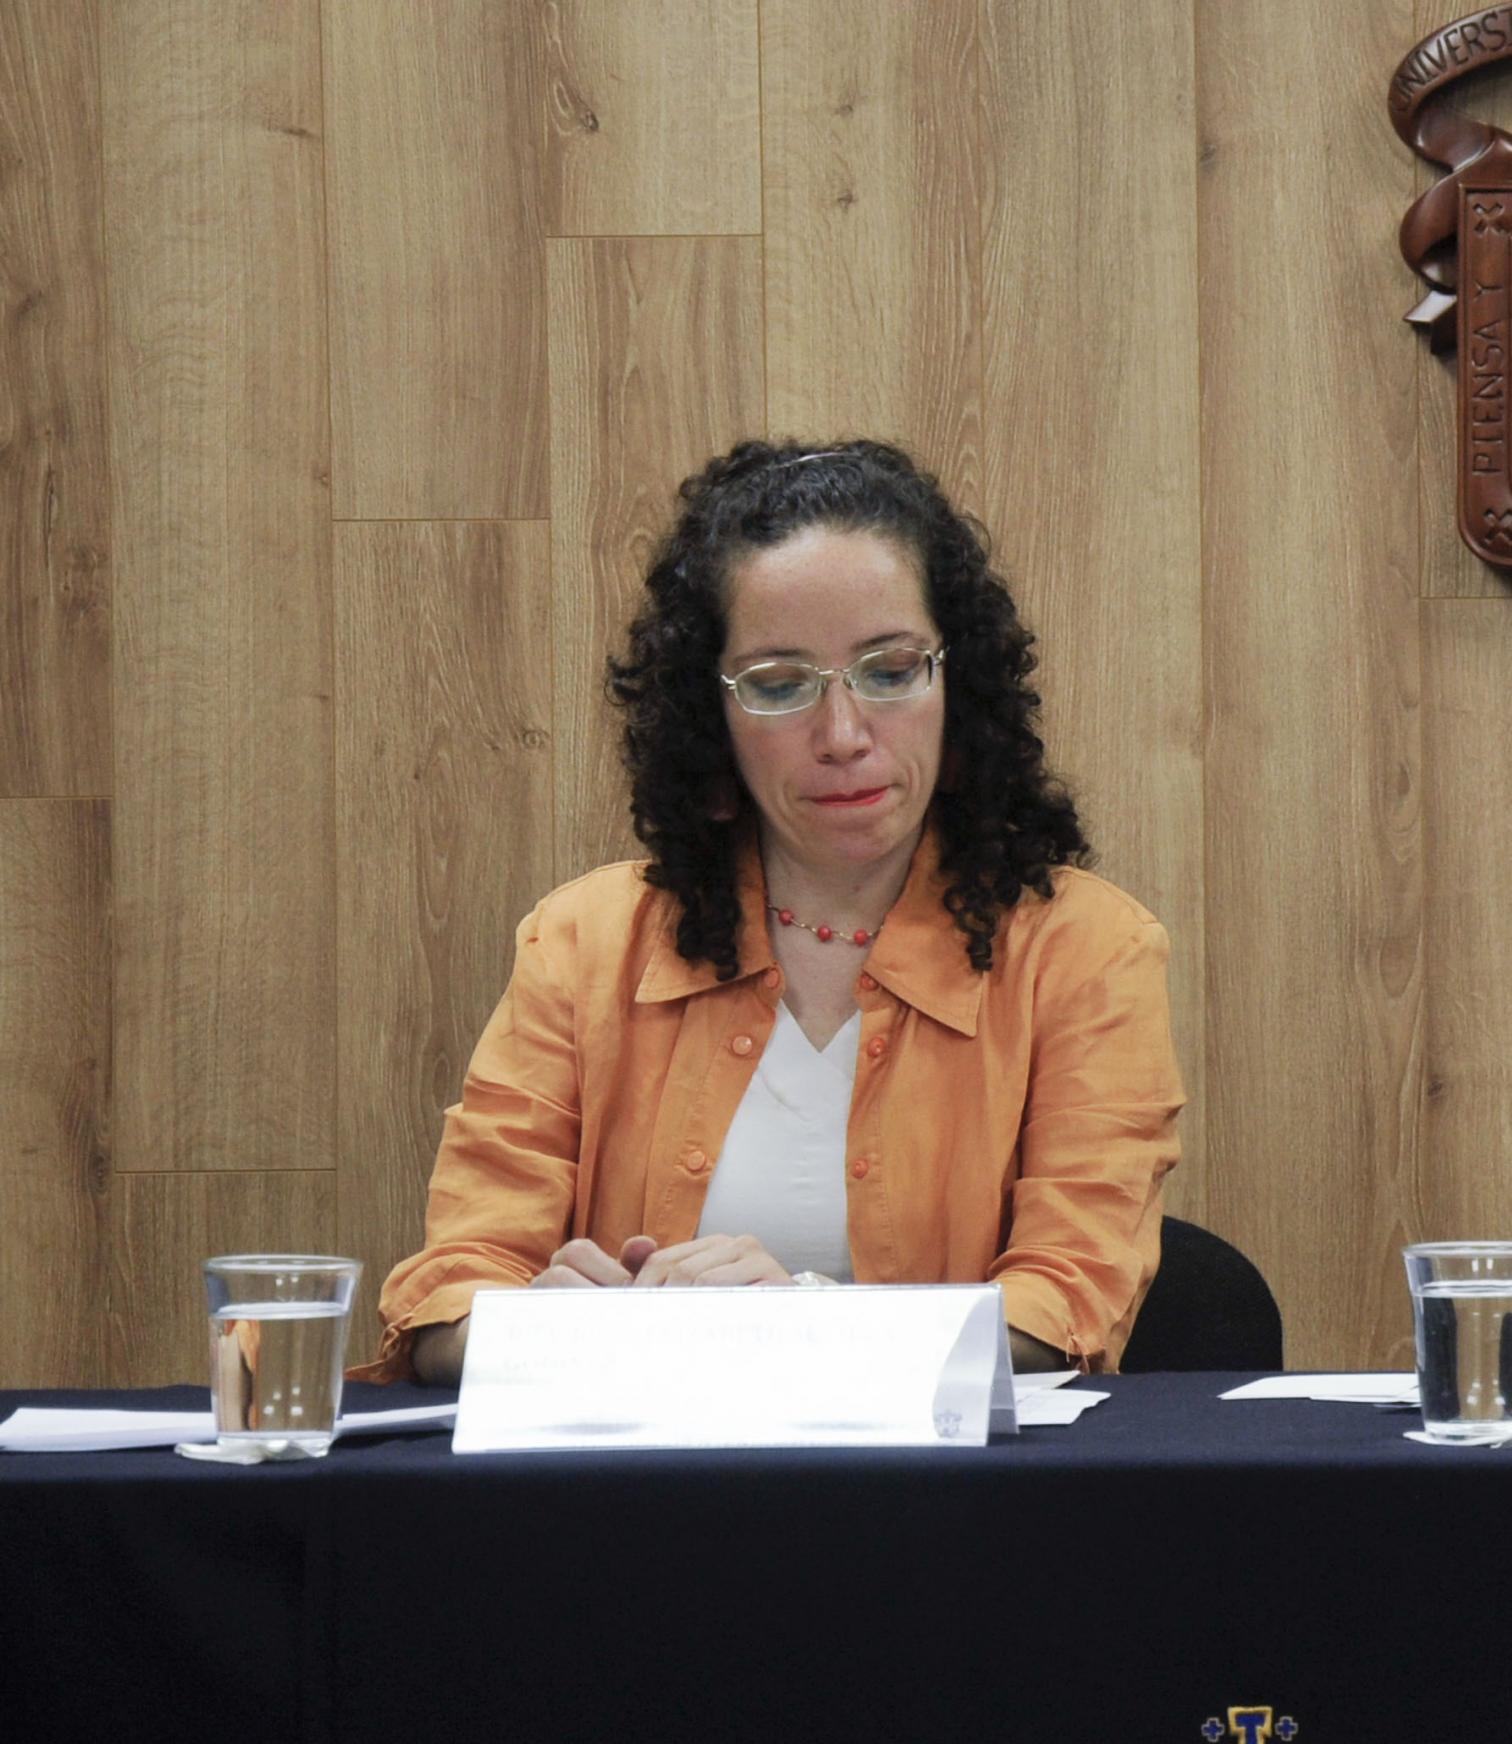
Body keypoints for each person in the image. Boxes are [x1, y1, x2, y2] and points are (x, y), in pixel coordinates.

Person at [364, 441, 1182, 1383]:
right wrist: (543, 1327)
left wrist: (796, 1325)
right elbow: (447, 1299)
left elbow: (1066, 1307)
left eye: (891, 670)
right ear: (708, 718)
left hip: (954, 1512)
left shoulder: (1085, 949)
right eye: (780, 685)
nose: (843, 737)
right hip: (633, 1499)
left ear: (960, 684)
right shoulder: (585, 941)